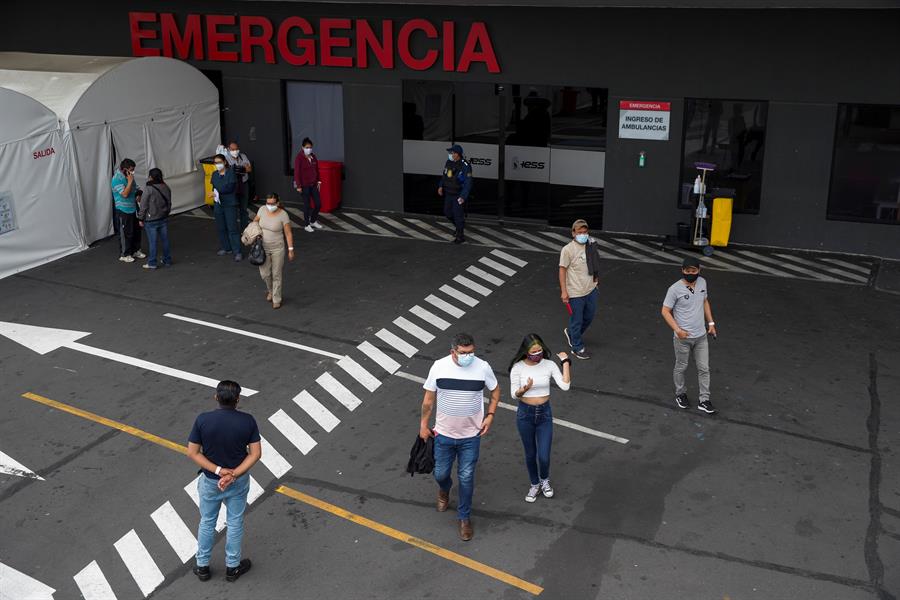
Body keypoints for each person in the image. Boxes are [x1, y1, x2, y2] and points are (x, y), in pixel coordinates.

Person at [419, 333, 500, 541]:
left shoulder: (482, 367)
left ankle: (464, 517)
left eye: (471, 352)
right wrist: (423, 425)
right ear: (452, 352)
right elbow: (428, 399)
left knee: (466, 477)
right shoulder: (439, 367)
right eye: (464, 353)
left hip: (471, 436)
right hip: (443, 434)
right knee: (440, 474)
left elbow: (496, 390)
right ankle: (444, 490)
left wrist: (490, 415)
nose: (468, 356)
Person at [187, 380, 261, 583]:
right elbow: (255, 454)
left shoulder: (203, 420)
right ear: (238, 399)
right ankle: (232, 568)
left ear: (216, 397)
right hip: (238, 482)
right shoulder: (248, 421)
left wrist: (219, 471)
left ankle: (202, 567)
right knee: (235, 522)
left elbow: (193, 452)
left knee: (207, 522)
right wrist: (233, 474)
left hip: (210, 481)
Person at [508, 334, 570, 503]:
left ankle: (545, 480)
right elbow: (514, 395)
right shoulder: (518, 367)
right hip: (525, 414)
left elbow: (565, 386)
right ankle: (534, 484)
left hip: (544, 414)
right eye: (534, 351)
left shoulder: (549, 365)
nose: (537, 354)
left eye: (540, 350)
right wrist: (524, 389)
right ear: (525, 351)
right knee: (530, 454)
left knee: (544, 455)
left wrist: (565, 363)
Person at [661, 256, 718, 414]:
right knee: (681, 367)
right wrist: (677, 330)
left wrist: (711, 323)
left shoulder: (702, 282)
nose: (691, 273)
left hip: (701, 337)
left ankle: (704, 400)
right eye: (687, 271)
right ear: (682, 271)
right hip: (683, 338)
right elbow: (665, 311)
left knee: (704, 368)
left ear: (699, 271)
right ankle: (680, 394)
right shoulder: (674, 289)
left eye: (694, 271)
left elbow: (705, 301)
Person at [559, 219, 601, 360]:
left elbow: (594, 262)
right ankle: (577, 347)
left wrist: (596, 279)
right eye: (580, 232)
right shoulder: (568, 250)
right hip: (575, 293)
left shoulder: (590, 244)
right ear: (573, 233)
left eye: (585, 232)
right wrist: (564, 291)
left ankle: (571, 333)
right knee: (577, 320)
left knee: (589, 317)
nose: (583, 235)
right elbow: (562, 270)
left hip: (591, 289)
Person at [253, 193, 295, 309]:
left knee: (276, 274)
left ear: (277, 203)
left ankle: (276, 298)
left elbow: (288, 233)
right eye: (268, 203)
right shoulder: (262, 210)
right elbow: (255, 221)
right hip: (263, 247)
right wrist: (253, 232)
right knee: (265, 274)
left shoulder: (283, 215)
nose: (269, 205)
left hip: (278, 248)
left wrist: (290, 249)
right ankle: (270, 291)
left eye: (272, 203)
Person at [209, 154, 243, 262]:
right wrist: (215, 194)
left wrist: (217, 192)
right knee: (221, 227)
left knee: (232, 228)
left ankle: (237, 251)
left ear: (224, 162)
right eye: (216, 163)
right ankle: (226, 248)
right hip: (218, 204)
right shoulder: (214, 174)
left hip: (229, 204)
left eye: (219, 162)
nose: (217, 164)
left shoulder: (231, 173)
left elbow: (230, 188)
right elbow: (213, 187)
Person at [137, 168, 172, 269]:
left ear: (150, 177)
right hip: (163, 218)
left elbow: (143, 205)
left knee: (153, 242)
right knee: (165, 240)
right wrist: (166, 212)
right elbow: (169, 202)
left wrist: (140, 218)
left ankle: (152, 263)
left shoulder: (148, 188)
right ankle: (167, 260)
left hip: (151, 219)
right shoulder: (166, 186)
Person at [111, 158, 145, 263]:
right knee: (126, 233)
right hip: (123, 209)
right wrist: (129, 181)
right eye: (131, 169)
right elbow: (125, 194)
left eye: (134, 169)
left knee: (136, 231)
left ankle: (136, 250)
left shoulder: (129, 177)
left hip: (133, 207)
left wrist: (139, 194)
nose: (133, 172)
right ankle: (125, 254)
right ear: (125, 169)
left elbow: (136, 188)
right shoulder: (116, 179)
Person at [437, 144, 472, 244]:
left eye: (452, 153)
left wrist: (463, 197)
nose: (450, 154)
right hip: (448, 193)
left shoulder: (465, 166)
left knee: (458, 215)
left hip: (458, 194)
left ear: (457, 154)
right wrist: (440, 186)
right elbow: (444, 175)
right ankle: (458, 226)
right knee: (447, 213)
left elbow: (468, 183)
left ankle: (460, 236)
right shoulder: (449, 162)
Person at [293, 137, 323, 233]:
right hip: (304, 186)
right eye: (307, 147)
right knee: (307, 206)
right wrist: (298, 186)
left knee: (318, 204)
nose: (309, 149)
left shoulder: (313, 156)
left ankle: (313, 221)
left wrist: (319, 180)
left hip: (313, 184)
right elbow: (297, 173)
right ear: (302, 147)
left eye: (310, 147)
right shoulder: (299, 158)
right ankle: (307, 224)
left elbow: (316, 170)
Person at [223, 141, 253, 231]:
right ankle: (233, 229)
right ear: (228, 149)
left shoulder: (243, 156)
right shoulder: (225, 158)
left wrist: (237, 169)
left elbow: (249, 169)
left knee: (243, 208)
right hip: (232, 186)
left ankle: (245, 229)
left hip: (243, 184)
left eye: (236, 149)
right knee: (233, 210)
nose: (235, 151)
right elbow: (227, 171)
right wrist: (242, 168)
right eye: (233, 149)